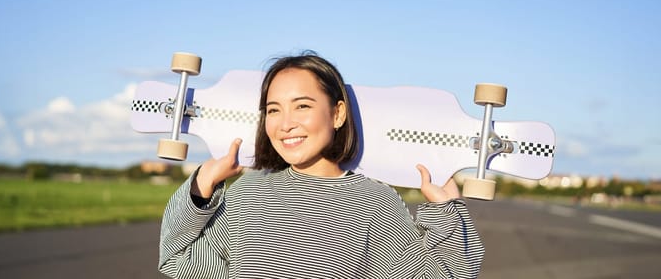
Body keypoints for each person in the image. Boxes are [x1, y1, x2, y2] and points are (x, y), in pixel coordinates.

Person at [158, 51, 483, 278]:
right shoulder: (249, 194)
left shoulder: (374, 204)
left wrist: (446, 212)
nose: (285, 124)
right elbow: (177, 259)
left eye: (302, 106)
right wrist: (202, 185)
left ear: (338, 113)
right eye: (273, 110)